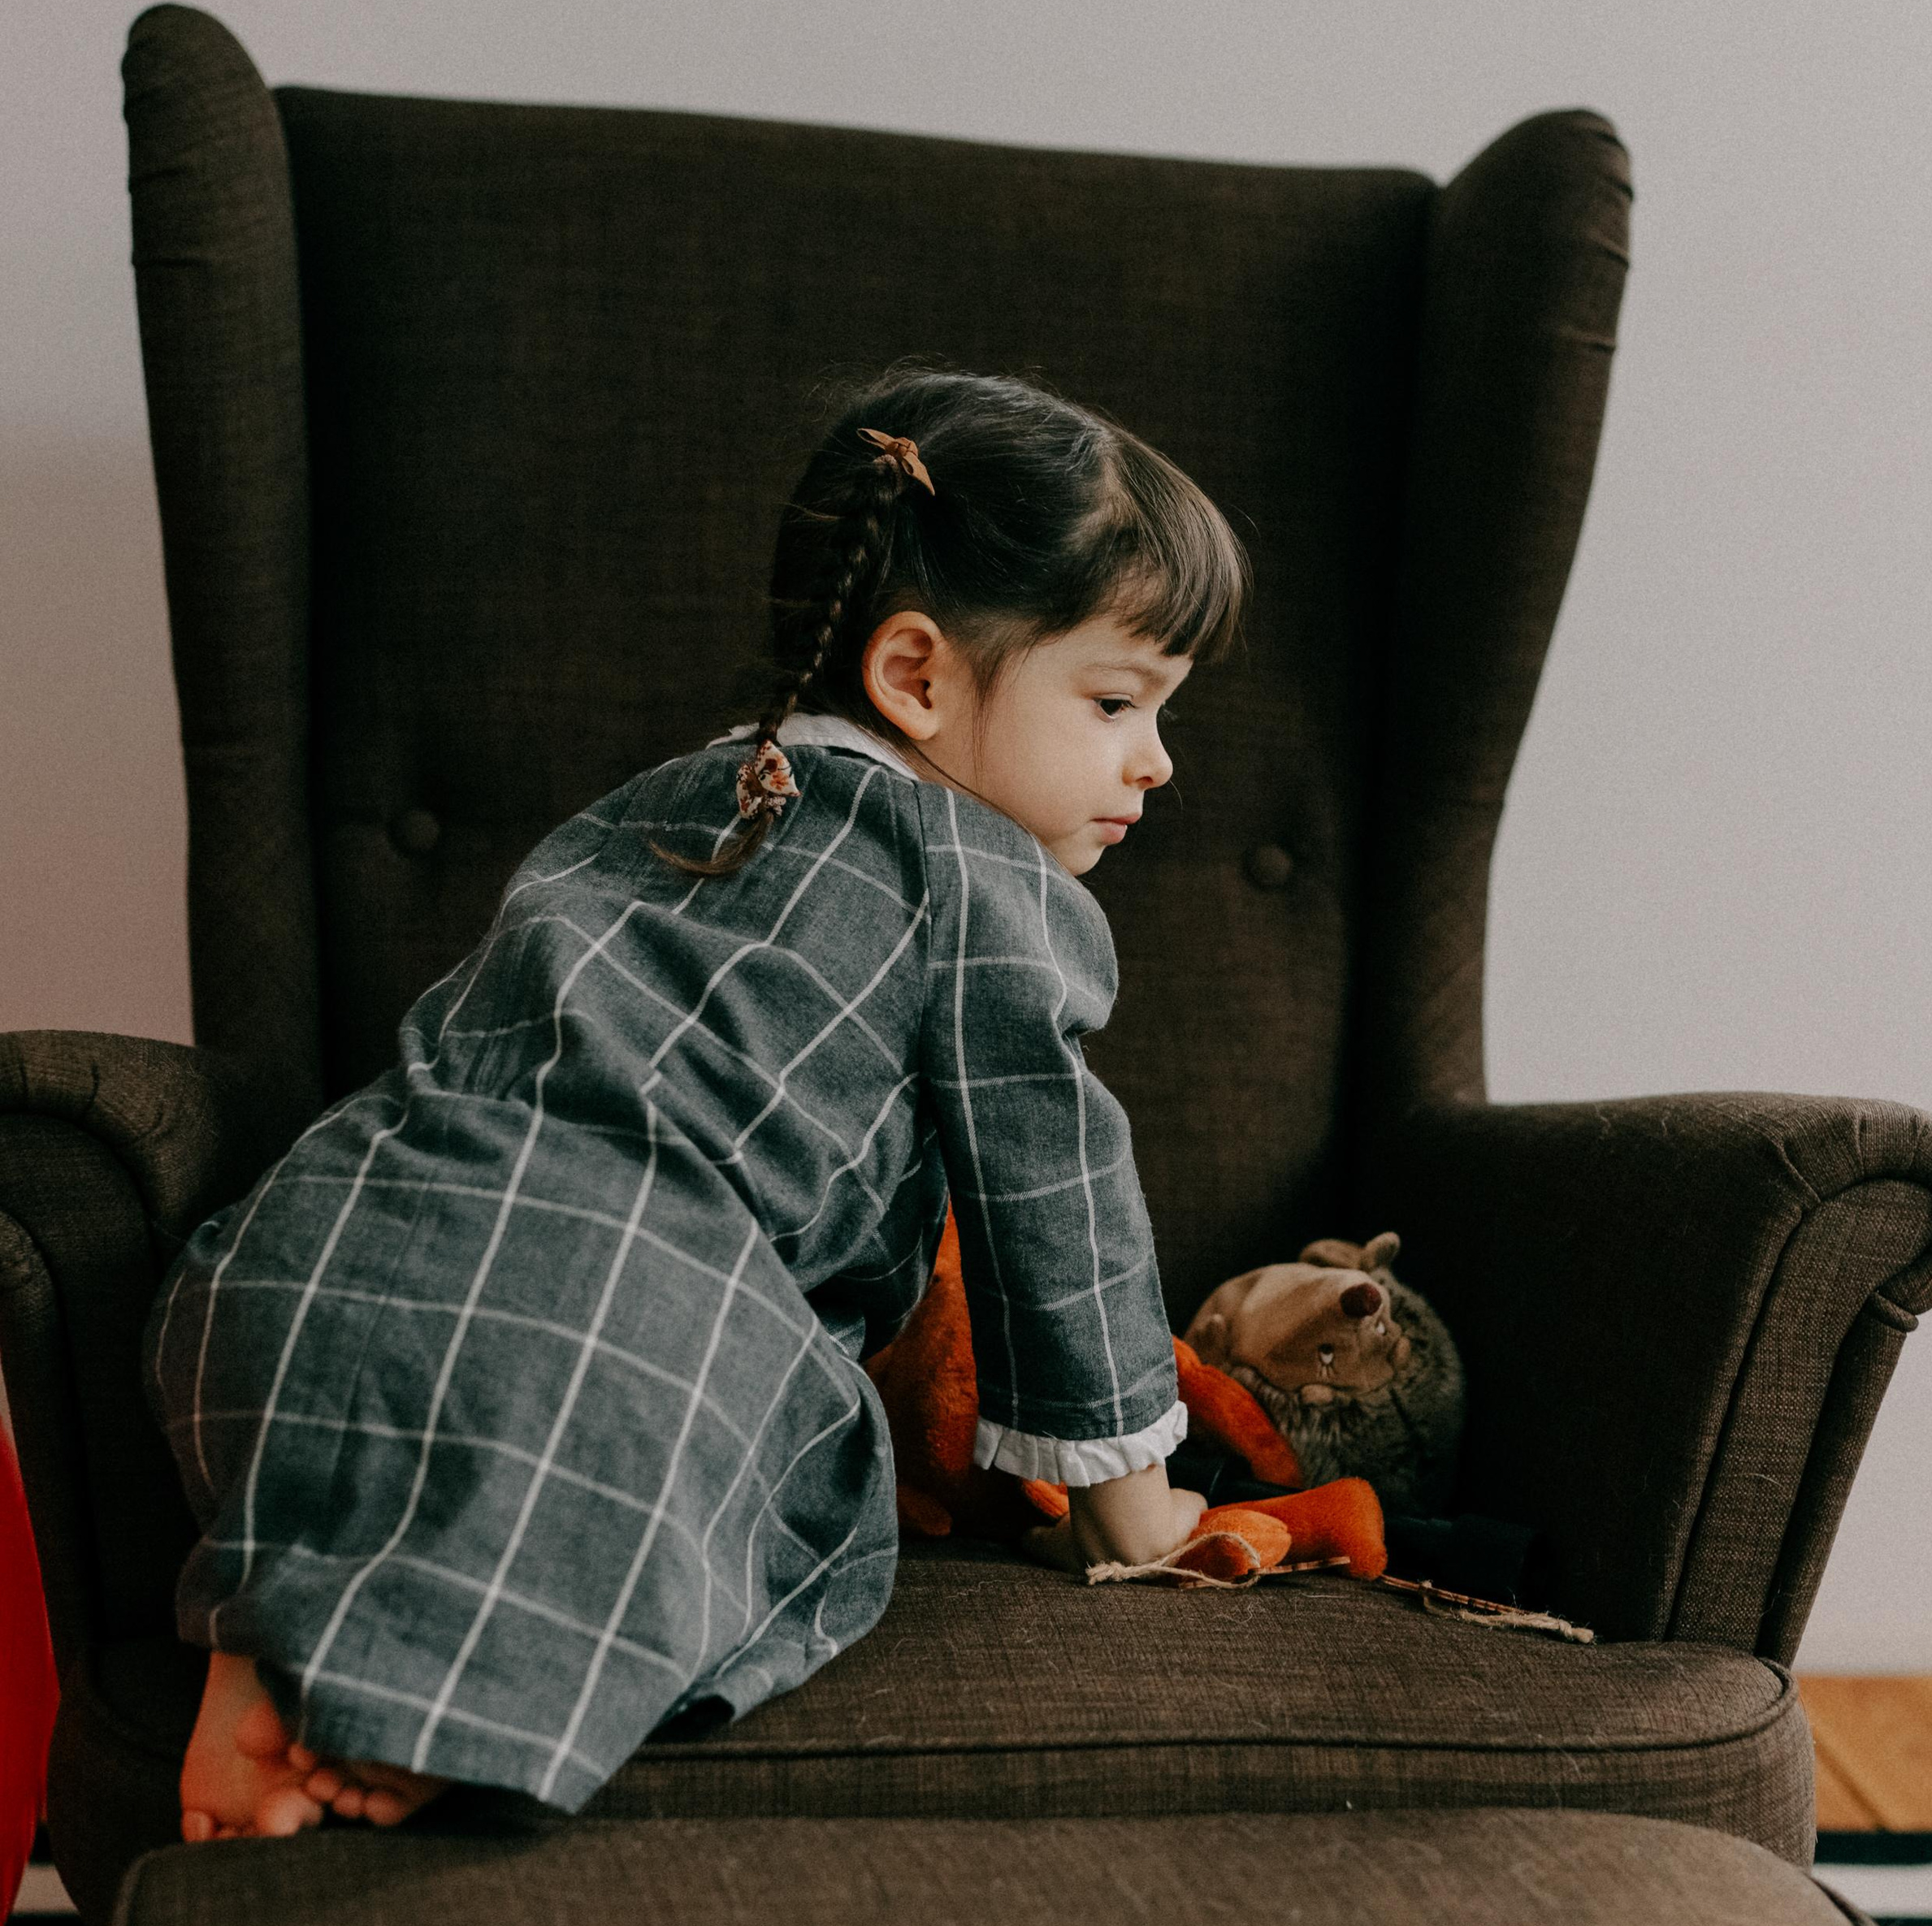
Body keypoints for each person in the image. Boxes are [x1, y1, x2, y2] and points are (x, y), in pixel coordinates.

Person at [154, 367, 1245, 1841]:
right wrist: (1137, 1508)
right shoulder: (984, 878)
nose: (1156, 761)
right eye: (1117, 701)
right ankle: (437, 1709)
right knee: (691, 1444)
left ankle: (265, 1658)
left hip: (323, 1238)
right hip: (608, 1288)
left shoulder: (685, 793)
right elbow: (1059, 1197)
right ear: (916, 675)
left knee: (407, 1419)